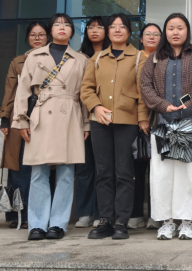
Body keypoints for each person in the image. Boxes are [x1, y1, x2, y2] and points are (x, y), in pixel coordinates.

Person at [12, 13, 90, 241]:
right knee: (38, 172)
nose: (62, 27)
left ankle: (58, 224)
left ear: (72, 31)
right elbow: (23, 90)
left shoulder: (81, 59)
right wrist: (21, 120)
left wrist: (86, 123)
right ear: (50, 31)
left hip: (70, 115)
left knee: (66, 173)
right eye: (57, 24)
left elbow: (85, 94)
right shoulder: (34, 56)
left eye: (66, 24)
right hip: (41, 115)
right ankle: (37, 224)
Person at [140, 13, 192, 240]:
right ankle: (166, 222)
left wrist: (189, 104)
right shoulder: (154, 58)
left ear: (187, 31)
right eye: (171, 28)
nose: (175, 32)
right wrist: (163, 105)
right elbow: (145, 86)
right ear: (166, 32)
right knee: (163, 175)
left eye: (180, 28)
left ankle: (188, 222)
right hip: (163, 123)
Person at [80, 13, 147, 240]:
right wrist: (95, 107)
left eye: (122, 26)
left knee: (124, 173)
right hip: (100, 122)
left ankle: (121, 221)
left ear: (129, 31)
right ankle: (105, 220)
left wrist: (142, 119)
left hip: (127, 123)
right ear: (108, 32)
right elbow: (86, 89)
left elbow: (143, 93)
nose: (117, 30)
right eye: (113, 26)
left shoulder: (139, 58)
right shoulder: (97, 58)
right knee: (103, 172)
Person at [0, 21, 49, 229]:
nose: (37, 38)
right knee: (18, 168)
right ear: (28, 38)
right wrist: (5, 118)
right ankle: (17, 215)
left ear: (48, 37)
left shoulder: (56, 60)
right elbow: (10, 91)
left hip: (47, 118)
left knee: (42, 168)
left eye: (41, 34)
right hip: (19, 118)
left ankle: (38, 214)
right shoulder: (18, 62)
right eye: (33, 35)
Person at [75, 16, 110, 229]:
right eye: (90, 27)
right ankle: (84, 212)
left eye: (99, 27)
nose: (94, 30)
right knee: (85, 167)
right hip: (82, 116)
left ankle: (100, 213)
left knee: (103, 168)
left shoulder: (112, 55)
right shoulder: (79, 57)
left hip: (106, 117)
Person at [130, 23, 162, 230]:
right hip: (134, 119)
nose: (151, 37)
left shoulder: (166, 58)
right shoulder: (134, 59)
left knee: (157, 170)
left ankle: (155, 214)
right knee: (136, 169)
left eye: (156, 34)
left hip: (159, 118)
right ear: (141, 38)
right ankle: (135, 214)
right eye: (147, 34)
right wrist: (141, 117)